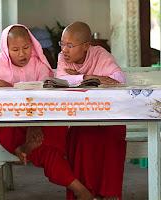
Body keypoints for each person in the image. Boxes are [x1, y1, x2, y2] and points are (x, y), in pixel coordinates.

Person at [0, 24, 97, 200]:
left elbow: (46, 97)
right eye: (15, 49)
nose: (22, 54)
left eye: (26, 48)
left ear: (32, 45)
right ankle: (82, 191)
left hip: (40, 124)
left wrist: (35, 123)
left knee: (56, 129)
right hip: (11, 126)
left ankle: (29, 148)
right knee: (48, 149)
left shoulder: (39, 65)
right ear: (6, 48)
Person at [56, 21, 127, 200]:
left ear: (87, 46)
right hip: (81, 118)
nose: (64, 50)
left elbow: (118, 78)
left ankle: (108, 194)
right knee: (81, 137)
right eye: (62, 44)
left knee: (110, 136)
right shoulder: (63, 58)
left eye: (70, 45)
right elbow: (62, 79)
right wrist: (90, 77)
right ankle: (87, 194)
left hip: (109, 117)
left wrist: (80, 77)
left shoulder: (100, 55)